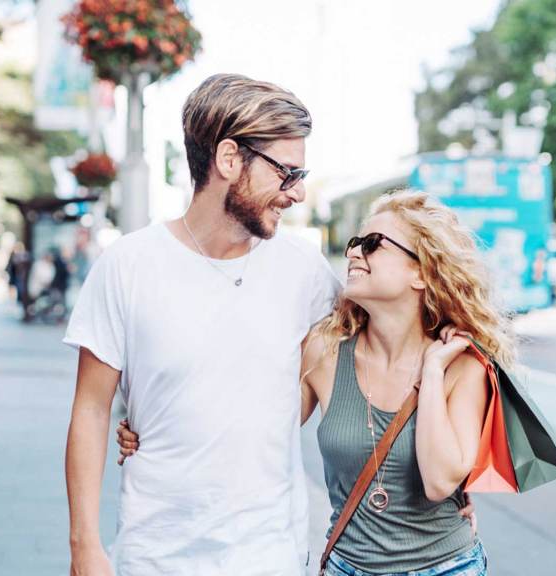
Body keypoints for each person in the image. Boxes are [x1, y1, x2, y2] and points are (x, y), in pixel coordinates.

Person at [63, 73, 342, 576]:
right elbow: (89, 409)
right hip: (155, 554)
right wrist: (85, 547)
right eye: (288, 173)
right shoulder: (127, 265)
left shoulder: (306, 273)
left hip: (269, 553)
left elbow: (358, 384)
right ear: (230, 159)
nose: (296, 193)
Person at [299, 190, 512, 575]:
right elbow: (260, 430)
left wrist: (431, 372)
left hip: (447, 567)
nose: (352, 254)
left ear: (422, 272)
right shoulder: (324, 352)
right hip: (348, 567)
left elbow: (438, 483)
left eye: (372, 244)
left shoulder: (462, 367)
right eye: (353, 244)